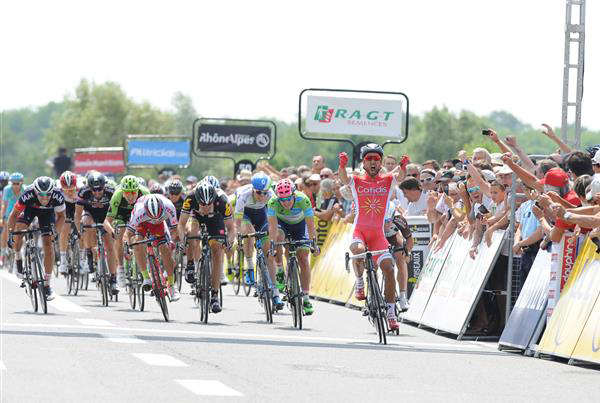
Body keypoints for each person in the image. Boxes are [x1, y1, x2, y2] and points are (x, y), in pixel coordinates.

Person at [339, 143, 401, 331]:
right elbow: (343, 179)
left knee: (389, 270)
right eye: (369, 159)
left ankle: (390, 313)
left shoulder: (388, 180)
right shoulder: (357, 181)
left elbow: (402, 176)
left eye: (376, 159)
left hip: (378, 235)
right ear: (363, 163)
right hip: (361, 230)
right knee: (357, 251)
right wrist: (342, 166)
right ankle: (359, 281)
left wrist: (404, 166)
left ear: (381, 162)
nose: (373, 162)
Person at [178, 181, 235, 314]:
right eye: (202, 204)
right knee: (192, 234)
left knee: (217, 251)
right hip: (197, 218)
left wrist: (229, 243)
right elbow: (181, 224)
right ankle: (191, 265)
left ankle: (215, 296)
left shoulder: (222, 201)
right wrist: (183, 242)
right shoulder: (190, 198)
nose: (206, 206)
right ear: (197, 199)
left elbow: (231, 228)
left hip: (216, 219)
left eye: (209, 204)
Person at [7, 177, 66, 300]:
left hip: (47, 214)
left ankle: (47, 285)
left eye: (48, 195)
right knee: (19, 232)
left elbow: (61, 216)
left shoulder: (58, 196)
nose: (44, 198)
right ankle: (18, 257)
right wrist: (11, 234)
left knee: (48, 245)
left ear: (52, 192)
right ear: (35, 191)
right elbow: (13, 216)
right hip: (29, 210)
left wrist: (55, 232)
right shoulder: (27, 195)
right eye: (41, 195)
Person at [267, 179, 320, 315]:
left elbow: (311, 226)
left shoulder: (303, 199)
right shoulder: (273, 202)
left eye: (289, 199)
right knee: (278, 238)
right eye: (282, 200)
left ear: (294, 195)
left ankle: (306, 298)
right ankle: (279, 270)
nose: (285, 203)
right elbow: (272, 227)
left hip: (300, 226)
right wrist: (272, 246)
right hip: (282, 225)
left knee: (303, 258)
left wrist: (314, 244)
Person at [126, 194, 181, 302]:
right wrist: (129, 247)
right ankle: (146, 277)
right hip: (143, 223)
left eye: (157, 216)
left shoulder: (169, 207)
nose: (155, 219)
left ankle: (171, 285)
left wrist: (173, 243)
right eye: (153, 217)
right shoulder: (139, 211)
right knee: (137, 243)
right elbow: (129, 234)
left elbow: (175, 231)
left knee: (165, 249)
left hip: (160, 225)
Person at [75, 172, 119, 292]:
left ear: (104, 186)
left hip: (106, 216)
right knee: (87, 223)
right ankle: (89, 251)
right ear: (89, 188)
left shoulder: (111, 192)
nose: (97, 192)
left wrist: (113, 227)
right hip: (90, 215)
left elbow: (116, 212)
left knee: (110, 246)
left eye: (100, 189)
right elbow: (78, 214)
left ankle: (113, 279)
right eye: (94, 190)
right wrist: (78, 230)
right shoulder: (83, 192)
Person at [233, 172, 276, 291]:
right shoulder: (244, 194)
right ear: (253, 189)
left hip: (261, 214)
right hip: (246, 215)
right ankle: (250, 266)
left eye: (264, 193)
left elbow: (274, 218)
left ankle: (270, 283)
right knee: (248, 233)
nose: (261, 196)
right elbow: (237, 220)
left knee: (267, 243)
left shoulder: (271, 195)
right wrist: (238, 235)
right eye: (258, 192)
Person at [105, 175, 150, 285]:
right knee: (119, 234)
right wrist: (112, 231)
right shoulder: (117, 195)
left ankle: (144, 265)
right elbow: (107, 220)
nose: (130, 196)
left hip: (138, 214)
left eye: (133, 192)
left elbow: (151, 215)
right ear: (122, 191)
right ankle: (120, 268)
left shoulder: (145, 193)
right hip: (121, 215)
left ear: (137, 190)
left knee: (142, 237)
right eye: (127, 193)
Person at [1, 172, 25, 268]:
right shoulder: (7, 190)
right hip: (10, 211)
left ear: (21, 183)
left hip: (20, 211)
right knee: (6, 229)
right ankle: (2, 253)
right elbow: (4, 205)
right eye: (13, 183)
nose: (15, 185)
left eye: (17, 183)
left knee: (20, 231)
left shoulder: (25, 190)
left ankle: (17, 251)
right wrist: (3, 217)